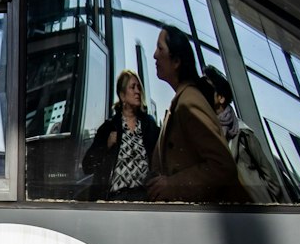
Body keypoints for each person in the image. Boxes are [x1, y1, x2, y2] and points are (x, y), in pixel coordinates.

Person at [146, 26, 245, 204]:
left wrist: (172, 185)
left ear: (176, 61)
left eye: (160, 48)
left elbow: (222, 166)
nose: (154, 55)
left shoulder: (189, 102)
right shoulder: (182, 100)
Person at [200, 66, 290, 204]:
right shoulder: (204, 134)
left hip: (255, 207)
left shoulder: (242, 132)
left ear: (221, 98)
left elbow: (269, 174)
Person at [80, 68, 160, 201]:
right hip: (115, 199)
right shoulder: (108, 127)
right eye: (132, 87)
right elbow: (87, 166)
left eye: (139, 87)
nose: (137, 91)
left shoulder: (149, 125)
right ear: (122, 95)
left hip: (145, 198)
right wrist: (106, 145)